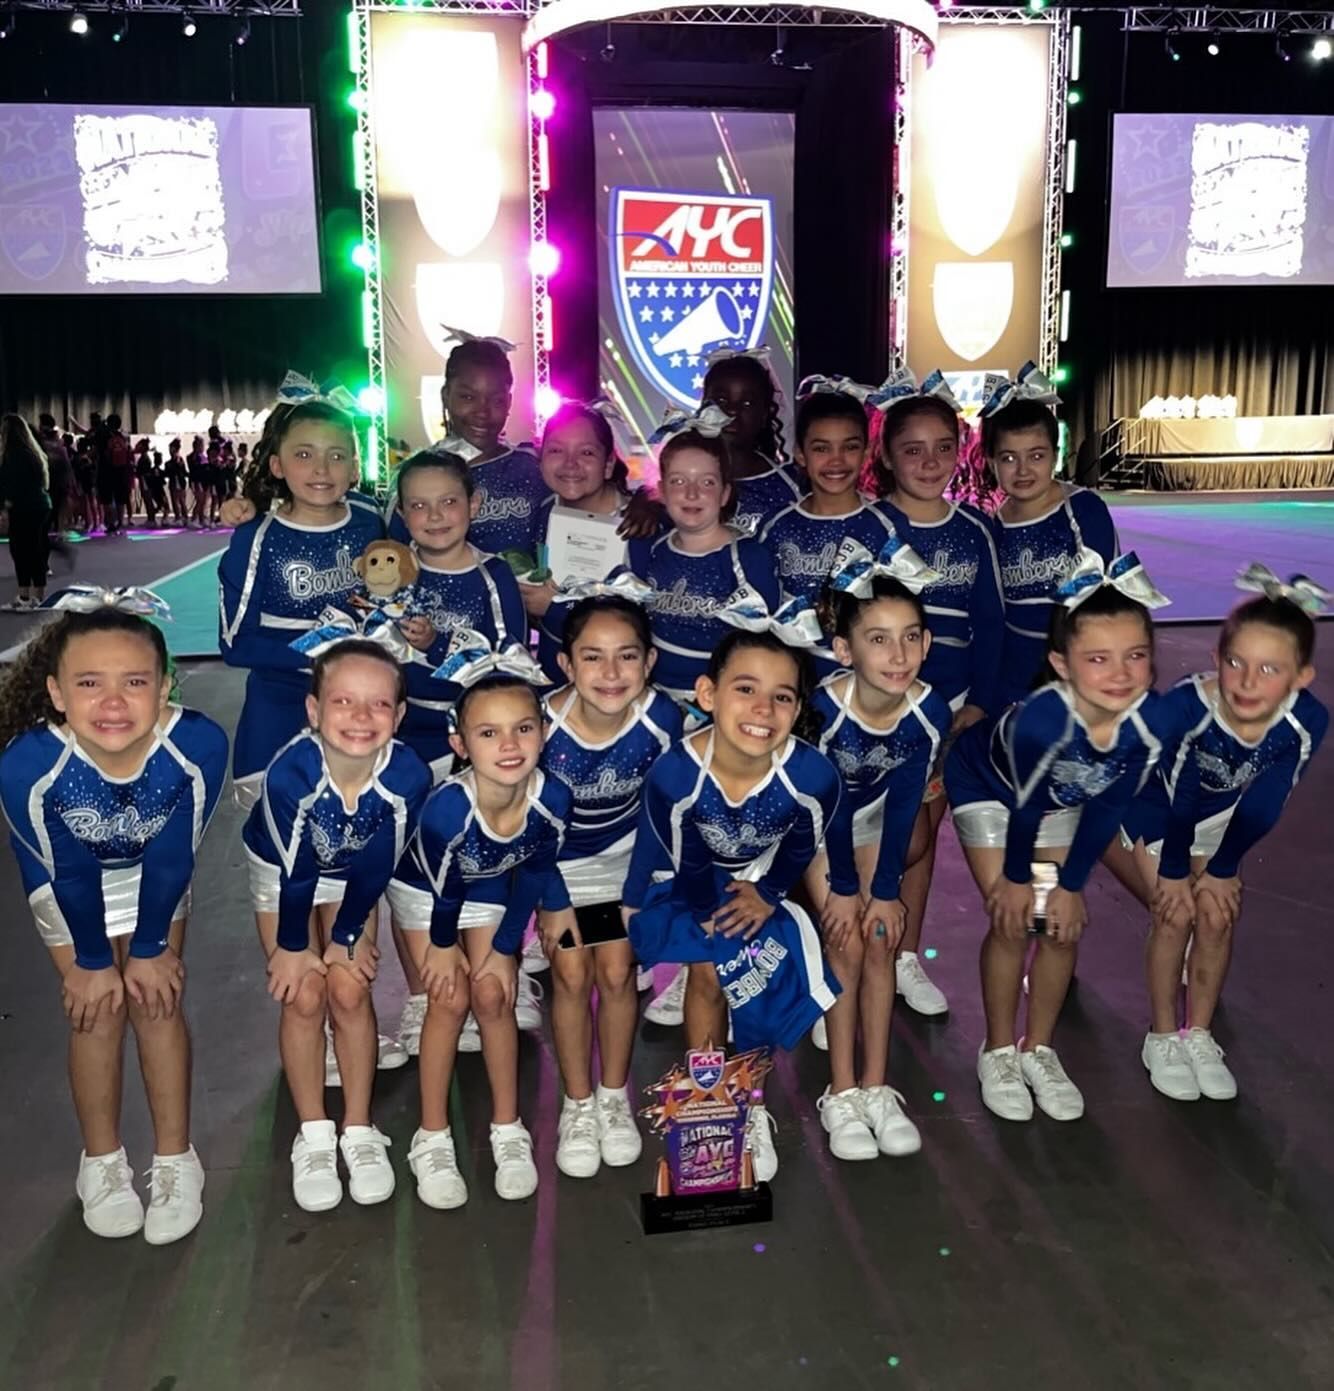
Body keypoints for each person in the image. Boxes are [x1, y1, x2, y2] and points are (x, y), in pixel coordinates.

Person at [0, 600, 227, 1242]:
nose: (114, 702)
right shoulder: (27, 766)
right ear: (56, 693)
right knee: (96, 1010)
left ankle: (176, 1159)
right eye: (89, 683)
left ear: (164, 687)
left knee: (156, 999)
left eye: (135, 682)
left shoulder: (196, 745)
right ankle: (100, 1161)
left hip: (152, 873)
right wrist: (93, 963)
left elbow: (173, 853)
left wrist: (153, 946)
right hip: (64, 881)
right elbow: (65, 869)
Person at [945, 557, 1172, 1123]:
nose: (1120, 674)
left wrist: (1071, 885)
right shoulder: (1042, 723)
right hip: (992, 790)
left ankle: (1038, 1049)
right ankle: (997, 1048)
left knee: (1062, 927)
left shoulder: (1149, 722)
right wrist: (1025, 882)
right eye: (1097, 659)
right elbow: (1025, 812)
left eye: (1135, 655)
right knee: (1015, 914)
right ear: (1060, 664)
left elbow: (1109, 802)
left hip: (1065, 798)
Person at [622, 627, 843, 1181]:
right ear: (707, 694)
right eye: (745, 689)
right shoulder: (676, 775)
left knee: (756, 987)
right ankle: (712, 1098)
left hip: (758, 877)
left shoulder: (813, 776)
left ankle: (752, 1100)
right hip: (682, 877)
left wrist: (768, 896)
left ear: (797, 709)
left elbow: (800, 841)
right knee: (709, 976)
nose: (763, 709)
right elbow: (684, 859)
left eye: (783, 696)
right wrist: (710, 929)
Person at [1113, 568, 1327, 1102]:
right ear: (1216, 661)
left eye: (1270, 669)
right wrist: (1177, 873)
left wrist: (1225, 869)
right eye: (1235, 663)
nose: (1248, 682)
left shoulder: (1308, 721)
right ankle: (1162, 1035)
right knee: (1177, 910)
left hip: (1222, 812)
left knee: (1217, 911)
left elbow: (1264, 799)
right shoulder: (1189, 708)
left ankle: (1199, 1034)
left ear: (1301, 677)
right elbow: (1179, 791)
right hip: (1152, 802)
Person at [243, 640, 430, 1212]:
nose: (361, 717)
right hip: (283, 870)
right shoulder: (290, 774)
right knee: (303, 995)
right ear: (313, 710)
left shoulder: (408, 775)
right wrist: (295, 948)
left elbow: (376, 863)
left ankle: (357, 1127)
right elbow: (297, 871)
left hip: (353, 874)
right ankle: (315, 1133)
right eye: (343, 701)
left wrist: (348, 935)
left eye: (378, 705)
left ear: (399, 716)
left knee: (350, 989)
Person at [387, 670, 574, 1208]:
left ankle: (507, 1126)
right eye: (488, 733)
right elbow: (445, 896)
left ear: (544, 730)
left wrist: (503, 951)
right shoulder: (448, 808)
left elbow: (536, 870)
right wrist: (445, 949)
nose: (509, 745)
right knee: (448, 1000)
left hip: (491, 880)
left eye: (522, 729)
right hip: (426, 892)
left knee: (496, 996)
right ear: (460, 744)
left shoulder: (552, 797)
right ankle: (432, 1135)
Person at [805, 569, 951, 1160]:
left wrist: (886, 891)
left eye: (912, 636)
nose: (900, 654)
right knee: (845, 940)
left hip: (872, 823)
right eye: (880, 639)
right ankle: (840, 1090)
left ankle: (876, 1084)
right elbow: (827, 804)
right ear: (844, 650)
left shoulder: (928, 711)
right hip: (817, 827)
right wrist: (845, 888)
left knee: (882, 938)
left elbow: (905, 801)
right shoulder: (822, 709)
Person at [388, 448, 529, 1060]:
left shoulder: (494, 575)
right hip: (407, 738)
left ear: (473, 506)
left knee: (489, 854)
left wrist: (438, 641)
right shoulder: (391, 570)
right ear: (400, 514)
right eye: (418, 505)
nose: (435, 515)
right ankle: (425, 993)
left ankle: (504, 968)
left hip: (477, 742)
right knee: (410, 864)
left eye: (448, 501)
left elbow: (510, 655)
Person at [871, 389, 1005, 1018]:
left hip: (947, 710)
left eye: (943, 449)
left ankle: (905, 955)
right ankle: (859, 949)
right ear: (889, 457)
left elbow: (994, 625)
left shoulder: (975, 528)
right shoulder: (872, 526)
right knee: (885, 835)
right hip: (879, 708)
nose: (929, 463)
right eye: (912, 450)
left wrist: (976, 704)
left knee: (926, 832)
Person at [540, 595, 682, 1178]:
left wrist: (632, 894)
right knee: (571, 974)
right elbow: (528, 823)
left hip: (626, 861)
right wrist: (551, 903)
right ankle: (576, 1104)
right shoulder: (541, 724)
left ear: (649, 661)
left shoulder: (660, 719)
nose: (611, 673)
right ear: (566, 665)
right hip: (555, 868)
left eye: (627, 656)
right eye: (592, 658)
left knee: (618, 972)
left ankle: (612, 1094)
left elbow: (657, 812)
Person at [217, 381, 383, 810]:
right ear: (276, 464)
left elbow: (388, 590)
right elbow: (235, 643)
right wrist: (319, 653)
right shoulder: (256, 539)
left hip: (358, 706)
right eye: (304, 455)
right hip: (281, 708)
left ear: (354, 466)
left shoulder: (369, 519)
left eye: (336, 456)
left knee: (357, 828)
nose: (321, 470)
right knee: (280, 843)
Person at [984, 373, 1118, 707]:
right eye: (1009, 458)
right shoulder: (995, 525)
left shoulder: (1082, 509)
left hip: (1075, 665)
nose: (1023, 470)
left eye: (1037, 456)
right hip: (1015, 673)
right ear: (992, 463)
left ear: (1055, 454)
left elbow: (1107, 593)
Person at [626, 418, 780, 706]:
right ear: (661, 490)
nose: (692, 493)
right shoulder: (652, 548)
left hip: (721, 706)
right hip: (655, 700)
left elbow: (763, 649)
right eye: (678, 481)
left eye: (706, 482)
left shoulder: (747, 557)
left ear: (724, 494)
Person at [758, 382, 898, 677]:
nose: (836, 460)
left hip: (863, 678)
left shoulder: (886, 525)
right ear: (800, 454)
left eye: (849, 447)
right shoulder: (776, 526)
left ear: (867, 451)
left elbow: (899, 613)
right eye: (821, 448)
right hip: (791, 677)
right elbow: (762, 612)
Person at [386, 333, 547, 559]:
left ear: (509, 402)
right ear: (445, 396)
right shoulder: (417, 474)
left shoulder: (532, 466)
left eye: (497, 400)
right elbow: (395, 560)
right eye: (468, 398)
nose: (483, 412)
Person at [524, 401, 637, 677]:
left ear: (609, 464)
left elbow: (644, 619)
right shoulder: (543, 510)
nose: (570, 464)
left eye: (586, 452)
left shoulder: (638, 526)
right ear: (540, 459)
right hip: (554, 669)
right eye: (556, 450)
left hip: (614, 680)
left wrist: (554, 608)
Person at [699, 347, 802, 535]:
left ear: (764, 414)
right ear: (703, 406)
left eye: (747, 403)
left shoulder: (791, 484)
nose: (732, 410)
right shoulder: (684, 482)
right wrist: (648, 500)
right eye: (721, 400)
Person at [0, 413, 52, 610]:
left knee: (22, 551)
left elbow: (12, 485)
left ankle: (27, 597)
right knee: (34, 550)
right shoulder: (33, 452)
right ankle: (35, 596)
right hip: (39, 505)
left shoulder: (13, 455)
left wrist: (5, 507)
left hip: (25, 507)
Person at [99, 414, 135, 535]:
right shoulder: (123, 436)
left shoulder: (104, 435)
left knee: (107, 499)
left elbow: (103, 453)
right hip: (122, 471)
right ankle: (120, 523)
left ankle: (110, 524)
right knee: (121, 499)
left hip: (107, 471)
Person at [36, 413, 71, 534]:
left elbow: (65, 462)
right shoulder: (57, 442)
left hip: (53, 479)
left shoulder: (45, 442)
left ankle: (58, 529)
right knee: (57, 505)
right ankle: (58, 529)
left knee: (55, 505)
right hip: (54, 479)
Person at [165, 439, 189, 526]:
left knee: (180, 500)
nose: (170, 451)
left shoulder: (179, 460)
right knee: (176, 500)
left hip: (179, 481)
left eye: (171, 449)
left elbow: (182, 471)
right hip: (174, 482)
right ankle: (179, 517)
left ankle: (182, 517)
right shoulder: (169, 462)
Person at [187, 436, 210, 528]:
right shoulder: (192, 457)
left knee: (203, 501)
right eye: (201, 445)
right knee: (199, 500)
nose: (202, 447)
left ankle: (201, 519)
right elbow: (195, 470)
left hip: (204, 481)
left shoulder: (203, 456)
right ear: (196, 446)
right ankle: (193, 519)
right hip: (196, 481)